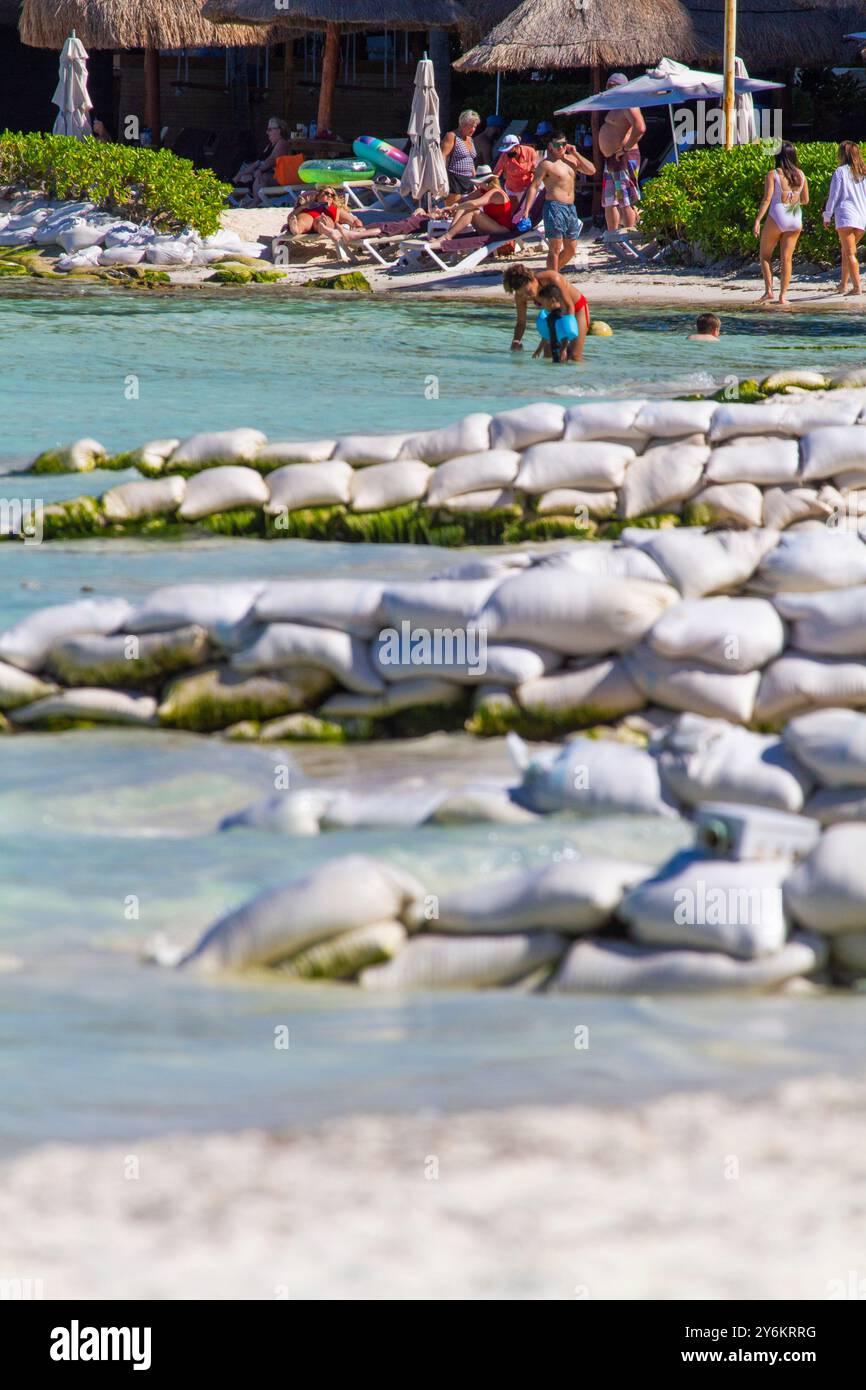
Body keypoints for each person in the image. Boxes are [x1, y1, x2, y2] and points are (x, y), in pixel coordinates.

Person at [518, 130, 594, 272]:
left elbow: (591, 171)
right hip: (554, 207)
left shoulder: (571, 160)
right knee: (555, 247)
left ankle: (550, 275)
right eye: (556, 144)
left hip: (571, 208)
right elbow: (534, 187)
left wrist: (575, 153)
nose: (560, 148)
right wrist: (526, 211)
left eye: (563, 144)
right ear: (549, 146)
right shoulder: (546, 165)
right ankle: (552, 279)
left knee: (571, 248)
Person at [754, 142, 809, 307]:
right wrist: (793, 196)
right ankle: (783, 296)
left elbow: (767, 199)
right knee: (787, 259)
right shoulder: (801, 175)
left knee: (765, 255)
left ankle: (768, 291)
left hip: (777, 214)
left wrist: (757, 220)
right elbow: (805, 200)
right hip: (795, 216)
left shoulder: (773, 174)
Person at [502, 262, 589, 361]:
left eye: (529, 292)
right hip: (555, 314)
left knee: (574, 356)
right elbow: (521, 323)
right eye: (522, 294)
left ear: (532, 279)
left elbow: (569, 306)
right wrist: (516, 341)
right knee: (548, 356)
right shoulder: (520, 296)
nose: (527, 296)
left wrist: (564, 346)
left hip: (576, 310)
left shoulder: (552, 279)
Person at [599, 72, 646, 232]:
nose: (610, 88)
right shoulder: (613, 104)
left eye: (614, 86)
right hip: (611, 158)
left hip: (624, 157)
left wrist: (625, 148)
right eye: (608, 85)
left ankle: (629, 235)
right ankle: (613, 237)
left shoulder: (628, 103)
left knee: (625, 198)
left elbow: (640, 127)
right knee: (610, 199)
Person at [427, 169, 515, 247]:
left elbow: (473, 204)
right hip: (491, 227)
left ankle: (447, 237)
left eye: (478, 182)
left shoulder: (496, 193)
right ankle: (449, 234)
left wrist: (454, 209)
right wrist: (447, 208)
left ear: (484, 182)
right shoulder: (483, 190)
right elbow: (463, 201)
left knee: (472, 210)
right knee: (464, 206)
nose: (477, 185)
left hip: (502, 231)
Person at [823, 141, 866, 298]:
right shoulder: (863, 172)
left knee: (850, 253)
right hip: (862, 218)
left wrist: (827, 215)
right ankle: (842, 284)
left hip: (846, 215)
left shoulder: (840, 172)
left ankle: (857, 287)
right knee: (847, 250)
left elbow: (833, 196)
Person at [233, 117, 292, 205]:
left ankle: (254, 204)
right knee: (243, 177)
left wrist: (259, 170)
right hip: (268, 175)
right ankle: (237, 203)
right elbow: (259, 161)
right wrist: (242, 174)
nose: (267, 133)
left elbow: (272, 160)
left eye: (270, 129)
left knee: (261, 178)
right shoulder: (270, 145)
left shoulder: (282, 143)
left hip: (280, 178)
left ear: (279, 130)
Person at [532, 281, 588, 363]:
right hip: (556, 349)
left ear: (552, 300)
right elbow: (546, 334)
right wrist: (539, 349)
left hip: (562, 349)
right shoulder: (550, 316)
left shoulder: (560, 315)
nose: (542, 306)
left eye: (543, 302)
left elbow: (565, 334)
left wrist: (564, 349)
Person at [441, 110, 480, 204]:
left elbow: (471, 161)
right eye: (471, 125)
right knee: (452, 210)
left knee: (467, 210)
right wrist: (442, 177)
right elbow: (443, 156)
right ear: (462, 124)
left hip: (469, 180)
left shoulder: (470, 139)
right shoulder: (452, 136)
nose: (473, 129)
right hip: (455, 179)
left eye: (475, 126)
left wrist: (476, 180)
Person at [494, 134, 538, 200]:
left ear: (517, 146)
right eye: (506, 150)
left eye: (509, 149)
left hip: (529, 187)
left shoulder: (530, 151)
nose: (507, 152)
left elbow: (537, 170)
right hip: (512, 190)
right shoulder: (504, 156)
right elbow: (496, 173)